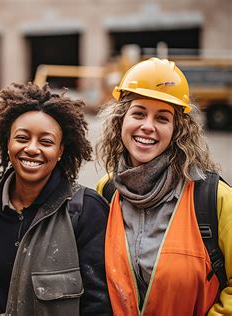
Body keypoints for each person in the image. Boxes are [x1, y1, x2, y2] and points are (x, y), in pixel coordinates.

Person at [96, 57, 231, 315]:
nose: (148, 127)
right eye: (138, 113)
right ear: (120, 120)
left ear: (177, 129)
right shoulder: (107, 191)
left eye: (162, 117)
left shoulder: (212, 198)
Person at [0, 82, 112, 315]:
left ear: (61, 151)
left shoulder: (86, 211)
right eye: (22, 138)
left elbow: (98, 304)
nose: (32, 148)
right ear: (7, 142)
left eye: (46, 142)